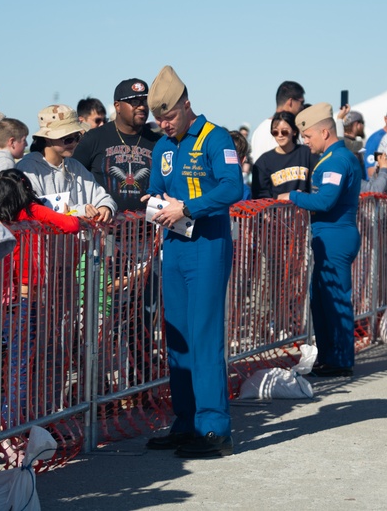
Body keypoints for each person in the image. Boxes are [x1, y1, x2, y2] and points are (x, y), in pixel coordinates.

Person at [142, 65, 241, 458]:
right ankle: (184, 422)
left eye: (168, 116)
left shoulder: (215, 138)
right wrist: (154, 205)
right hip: (174, 247)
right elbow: (153, 191)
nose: (164, 124)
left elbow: (234, 187)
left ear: (186, 104)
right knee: (178, 339)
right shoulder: (162, 147)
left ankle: (214, 428)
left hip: (208, 245)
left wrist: (188, 207)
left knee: (204, 337)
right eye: (158, 119)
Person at [0, 169, 81, 437]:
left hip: (3, 299)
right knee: (22, 362)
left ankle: (16, 419)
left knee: (18, 360)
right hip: (25, 299)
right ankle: (13, 424)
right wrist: (38, 206)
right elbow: (71, 225)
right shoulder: (31, 212)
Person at [277, 102, 363, 367]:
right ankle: (330, 357)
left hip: (335, 236)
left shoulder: (336, 161)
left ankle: (339, 361)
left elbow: (325, 201)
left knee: (334, 300)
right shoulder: (335, 158)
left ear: (325, 133)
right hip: (331, 236)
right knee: (322, 300)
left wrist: (292, 196)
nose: (306, 141)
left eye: (308, 136)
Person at [73, 78, 160, 213]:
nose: (142, 106)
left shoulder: (158, 142)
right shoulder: (94, 138)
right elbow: (73, 177)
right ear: (117, 106)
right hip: (105, 229)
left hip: (146, 230)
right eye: (135, 102)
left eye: (145, 101)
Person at [16, 104, 116, 221]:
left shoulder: (75, 166)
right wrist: (78, 211)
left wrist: (105, 207)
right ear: (48, 138)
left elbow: (102, 196)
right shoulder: (27, 169)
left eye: (78, 137)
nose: (74, 143)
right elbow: (36, 211)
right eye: (68, 139)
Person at [250, 111, 315, 199]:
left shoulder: (307, 153)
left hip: (305, 209)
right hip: (276, 210)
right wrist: (281, 197)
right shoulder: (263, 162)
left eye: (284, 132)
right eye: (275, 132)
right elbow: (260, 195)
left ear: (294, 131)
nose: (280, 135)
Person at [249, 80, 306, 162]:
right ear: (290, 102)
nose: (302, 107)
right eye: (301, 102)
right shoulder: (292, 129)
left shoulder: (259, 130)